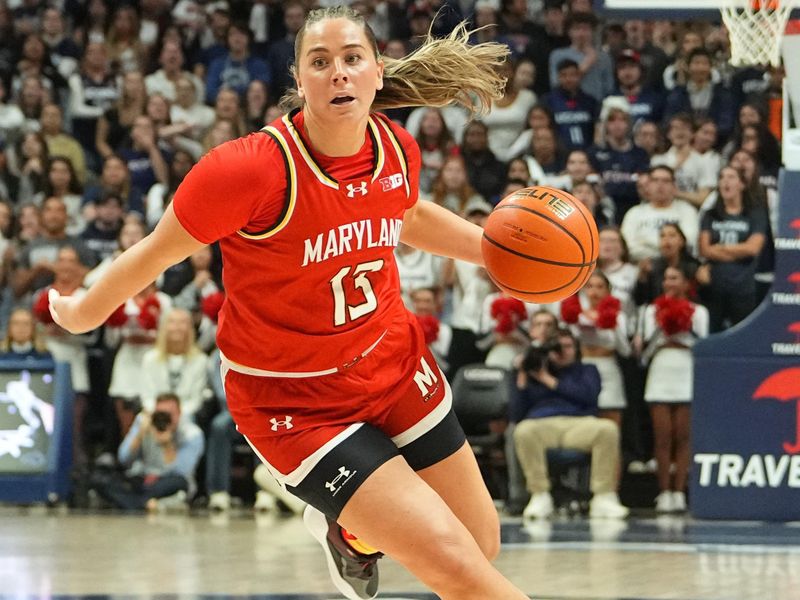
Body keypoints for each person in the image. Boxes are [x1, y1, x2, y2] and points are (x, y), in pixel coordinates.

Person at [48, 8, 529, 600]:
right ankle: (343, 513)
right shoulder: (247, 171)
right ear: (298, 82)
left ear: (377, 72)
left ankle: (350, 533)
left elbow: (404, 213)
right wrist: (82, 312)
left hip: (392, 363)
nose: (338, 75)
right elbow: (154, 253)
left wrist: (495, 252)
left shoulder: (396, 147)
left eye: (352, 59)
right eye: (320, 63)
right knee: (459, 570)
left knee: (479, 543)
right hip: (296, 402)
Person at [511, 328, 629, 519]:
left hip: (579, 424)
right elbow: (516, 414)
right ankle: (540, 495)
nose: (562, 351)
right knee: (523, 430)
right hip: (543, 425)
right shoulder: (533, 372)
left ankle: (603, 496)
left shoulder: (588, 370)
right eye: (557, 347)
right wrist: (523, 376)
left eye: (568, 346)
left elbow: (588, 396)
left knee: (608, 429)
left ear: (577, 349)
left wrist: (547, 380)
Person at [636, 264, 709, 513]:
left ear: (686, 283)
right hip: (660, 371)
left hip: (686, 370)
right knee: (663, 436)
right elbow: (643, 354)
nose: (669, 282)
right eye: (666, 278)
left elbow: (702, 346)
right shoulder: (650, 310)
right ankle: (664, 492)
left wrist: (683, 325)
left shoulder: (699, 312)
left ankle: (680, 492)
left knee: (683, 436)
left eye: (675, 278)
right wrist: (662, 325)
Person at [91, 392, 205, 511]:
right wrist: (140, 434)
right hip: (142, 480)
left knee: (179, 483)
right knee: (99, 478)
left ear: (179, 414)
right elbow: (123, 459)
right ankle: (146, 504)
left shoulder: (192, 434)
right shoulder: (145, 423)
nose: (163, 419)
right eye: (160, 414)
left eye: (168, 414)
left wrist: (167, 445)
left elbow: (181, 471)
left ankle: (132, 503)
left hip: (167, 483)